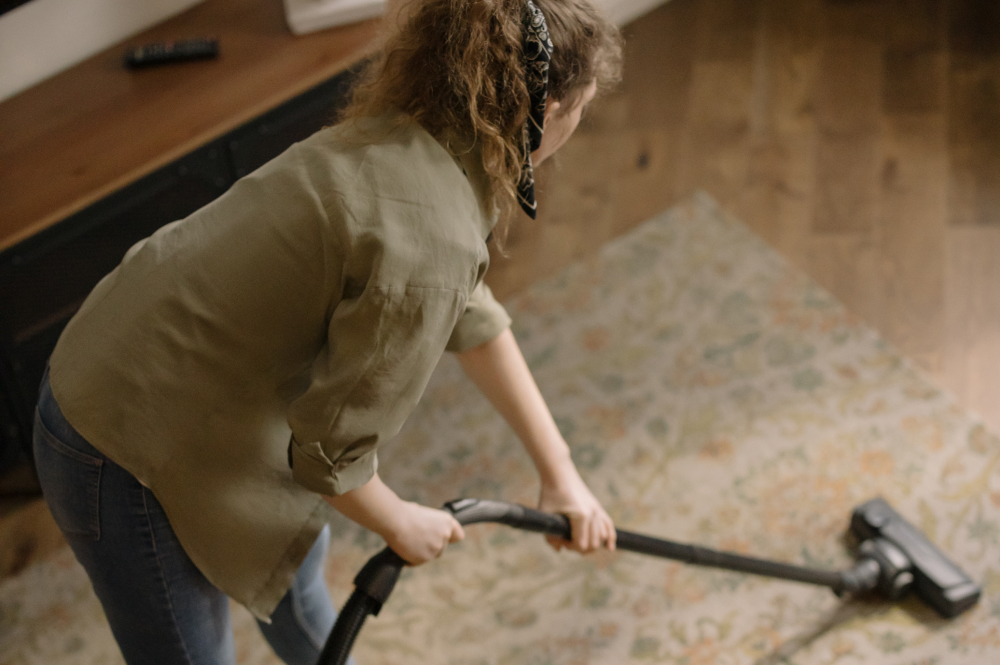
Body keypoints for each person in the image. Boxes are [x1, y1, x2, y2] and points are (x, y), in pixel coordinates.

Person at [31, 0, 623, 662]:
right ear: (544, 111)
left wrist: (559, 473)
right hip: (117, 436)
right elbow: (328, 454)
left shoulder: (419, 138)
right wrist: (400, 521)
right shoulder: (431, 234)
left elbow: (470, 313)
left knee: (295, 573)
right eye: (581, 108)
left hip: (156, 362)